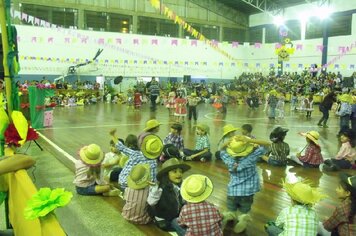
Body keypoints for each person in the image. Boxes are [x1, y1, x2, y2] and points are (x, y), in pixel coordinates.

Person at [220, 135, 270, 233]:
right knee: (244, 210)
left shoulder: (229, 159)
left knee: (231, 208)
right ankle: (242, 220)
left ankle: (230, 216)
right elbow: (268, 144)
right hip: (248, 191)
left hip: (233, 191)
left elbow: (221, 150)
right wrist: (249, 140)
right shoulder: (252, 157)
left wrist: (227, 143)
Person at [147, 158, 191, 231]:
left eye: (180, 171)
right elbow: (150, 202)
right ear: (166, 174)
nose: (179, 174)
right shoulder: (161, 188)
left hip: (176, 216)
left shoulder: (180, 186)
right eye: (174, 172)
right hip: (165, 220)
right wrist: (155, 189)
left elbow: (183, 201)